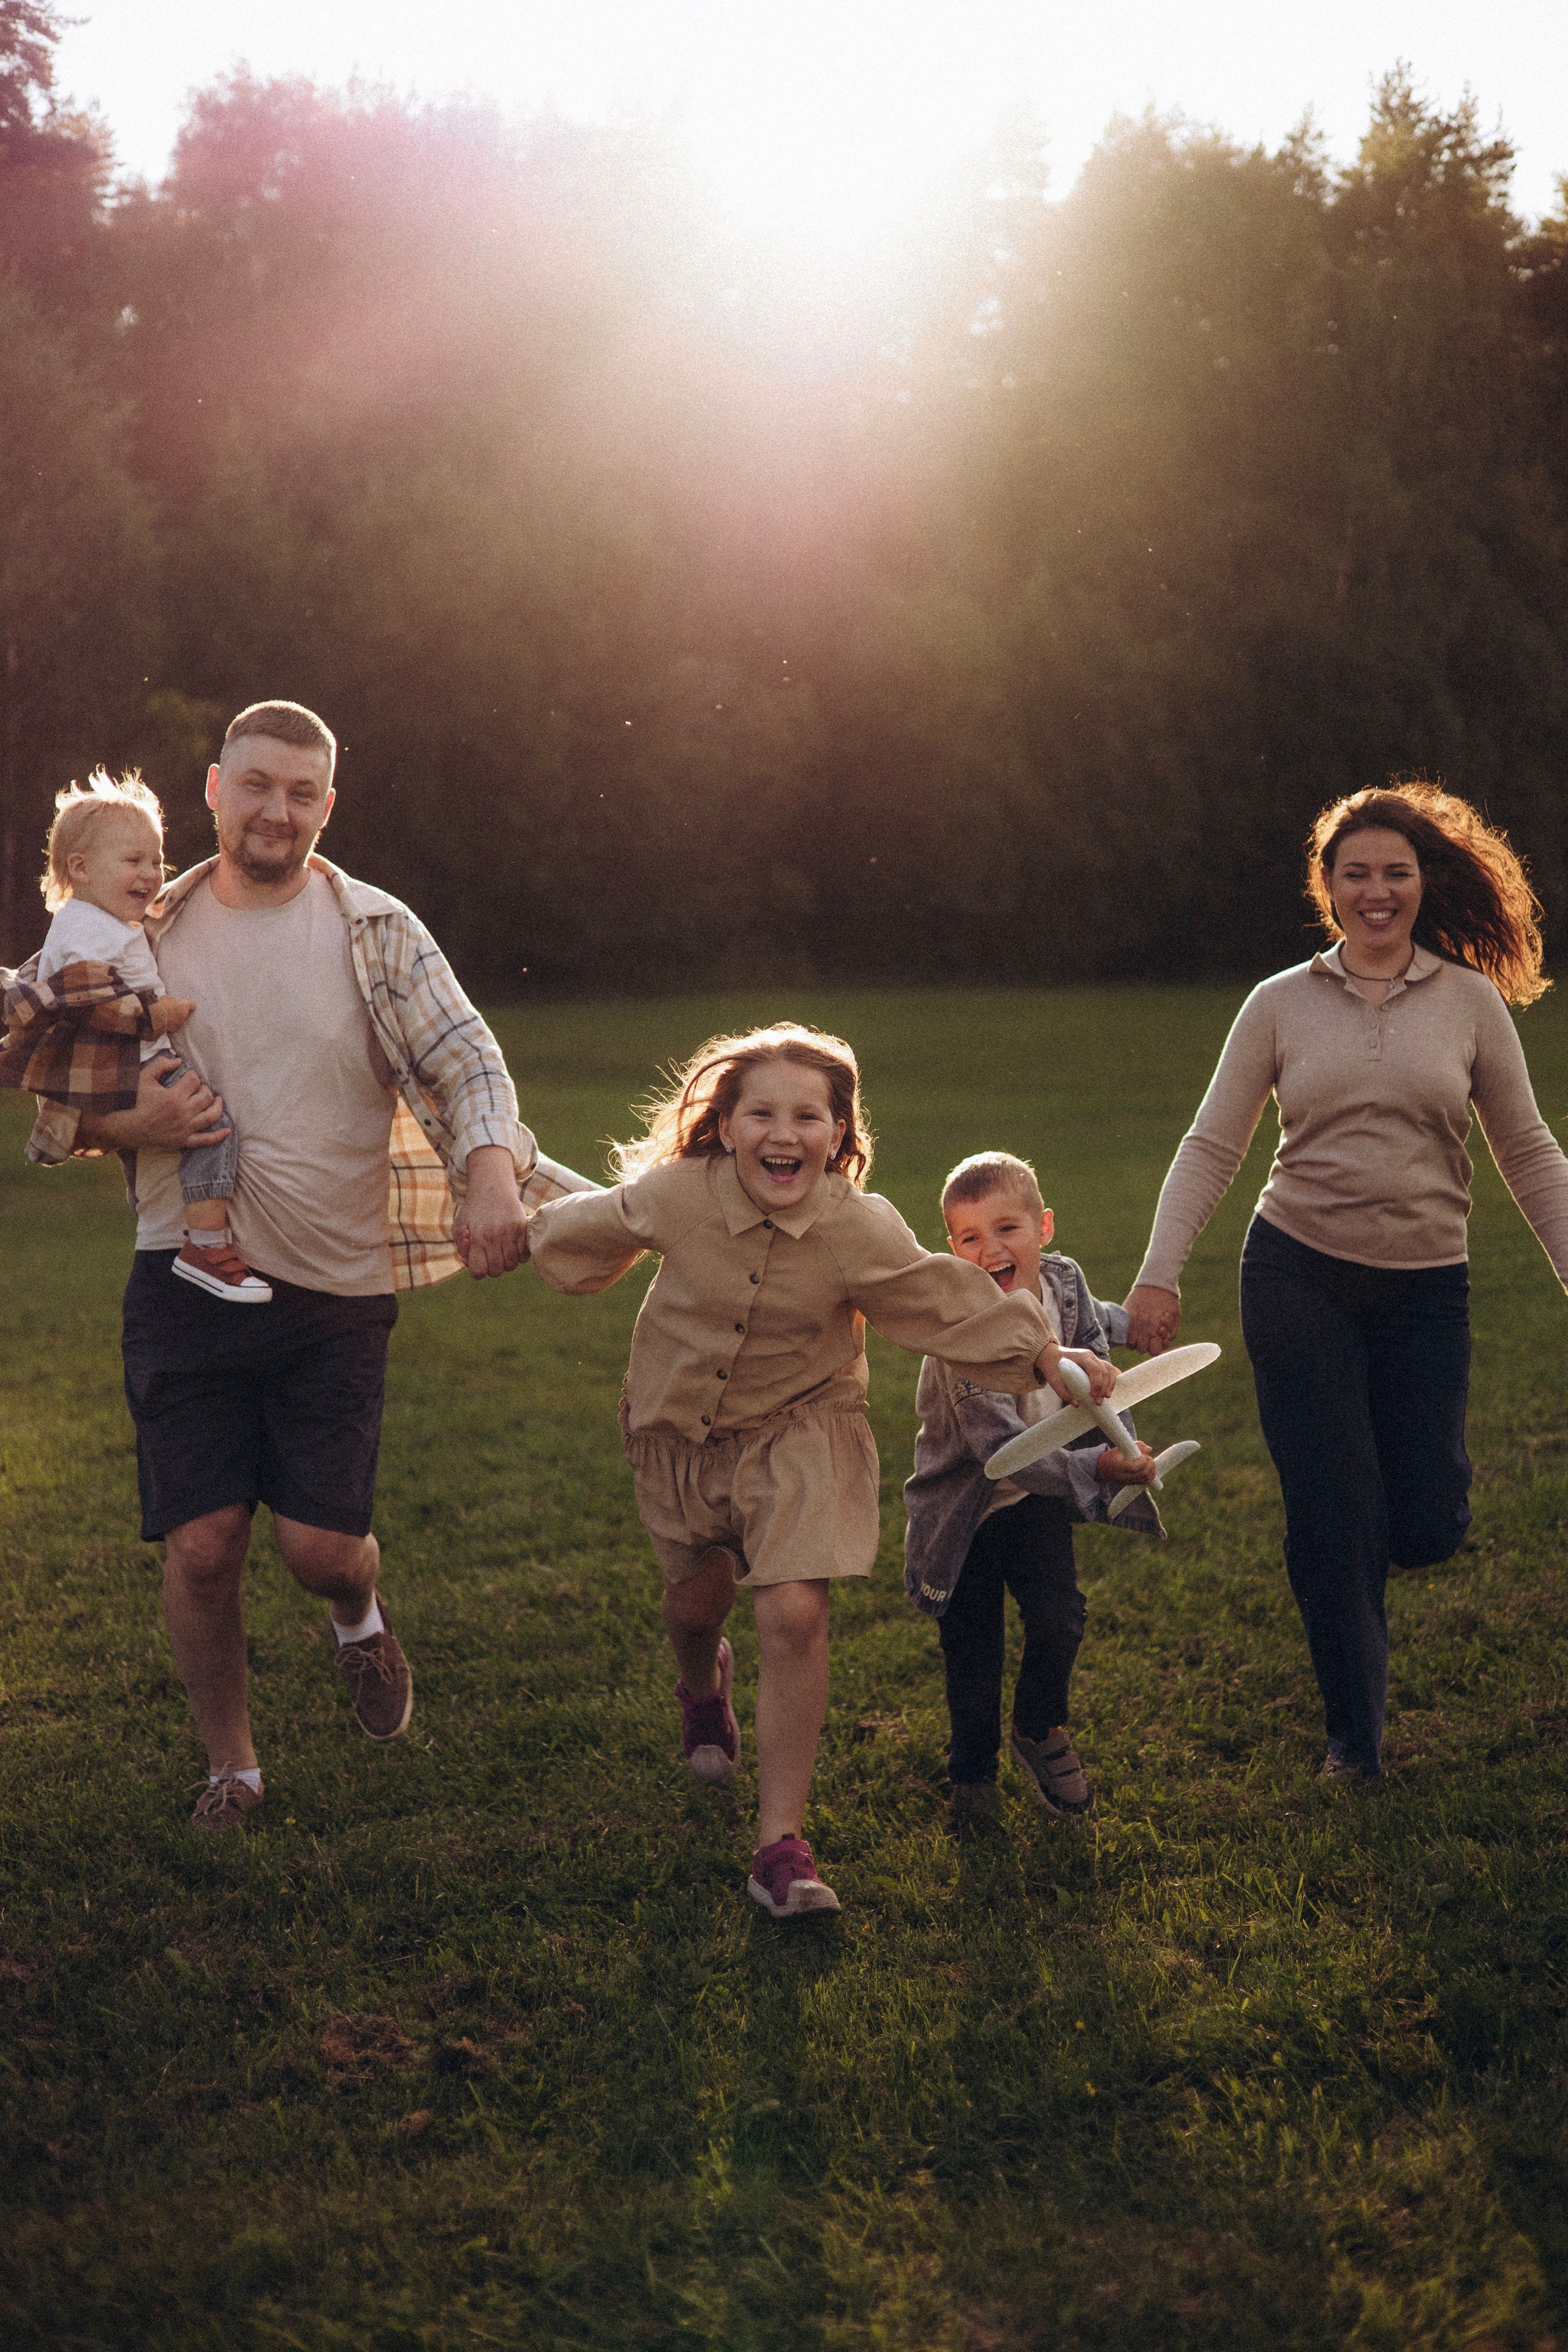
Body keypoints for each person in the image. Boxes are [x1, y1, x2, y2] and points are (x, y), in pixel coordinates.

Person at [20, 699, 591, 1831]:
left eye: (301, 792)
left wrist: (489, 1177)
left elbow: (466, 1059)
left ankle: (358, 1618)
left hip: (337, 1284)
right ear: (217, 794)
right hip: (180, 1273)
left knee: (320, 1547)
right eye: (257, 786)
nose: (277, 810)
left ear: (324, 807)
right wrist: (138, 1125)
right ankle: (235, 1769)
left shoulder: (375, 927)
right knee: (203, 1542)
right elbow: (56, 1095)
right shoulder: (140, 927)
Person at [525, 1024, 1120, 1920]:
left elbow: (939, 1300)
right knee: (696, 1603)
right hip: (679, 1433)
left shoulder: (855, 1225)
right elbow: (587, 1232)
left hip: (801, 1426)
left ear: (839, 1136)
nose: (784, 1132)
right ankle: (701, 1686)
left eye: (809, 1115)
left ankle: (780, 1848)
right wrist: (519, 1228)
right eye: (761, 1112)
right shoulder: (677, 1195)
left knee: (795, 1609)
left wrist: (1044, 1354)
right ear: (725, 1127)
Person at [1123, 782, 1568, 1787]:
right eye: (1355, 873)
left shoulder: (1470, 1003)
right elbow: (1211, 1145)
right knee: (1332, 1510)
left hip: (1426, 1289)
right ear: (1327, 887)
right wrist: (1159, 1272)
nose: (1376, 891)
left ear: (1423, 883)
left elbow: (1531, 1154)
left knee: (1425, 1522)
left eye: (1395, 873)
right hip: (1297, 1275)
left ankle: (1410, 1526)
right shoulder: (1278, 1003)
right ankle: (1352, 1742)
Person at [904, 1152, 1163, 1830]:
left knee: (1059, 1617)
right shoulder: (960, 1328)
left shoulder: (1062, 1280)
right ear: (950, 1251)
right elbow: (1000, 1457)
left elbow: (1088, 1322)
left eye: (1007, 1228)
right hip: (966, 1509)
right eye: (968, 1238)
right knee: (973, 1647)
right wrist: (1100, 1471)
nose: (990, 1249)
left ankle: (1039, 1726)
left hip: (1036, 1502)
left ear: (1043, 1228)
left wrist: (1133, 1328)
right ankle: (972, 1777)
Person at [4, 769, 271, 1300]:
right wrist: (157, 1014)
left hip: (122, 1067)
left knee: (145, 1159)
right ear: (79, 867)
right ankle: (207, 1247)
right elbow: (87, 999)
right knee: (213, 1126)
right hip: (130, 1064)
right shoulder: (87, 928)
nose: (151, 874)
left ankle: (172, 1236)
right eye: (134, 861)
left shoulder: (96, 919)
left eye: (156, 860)